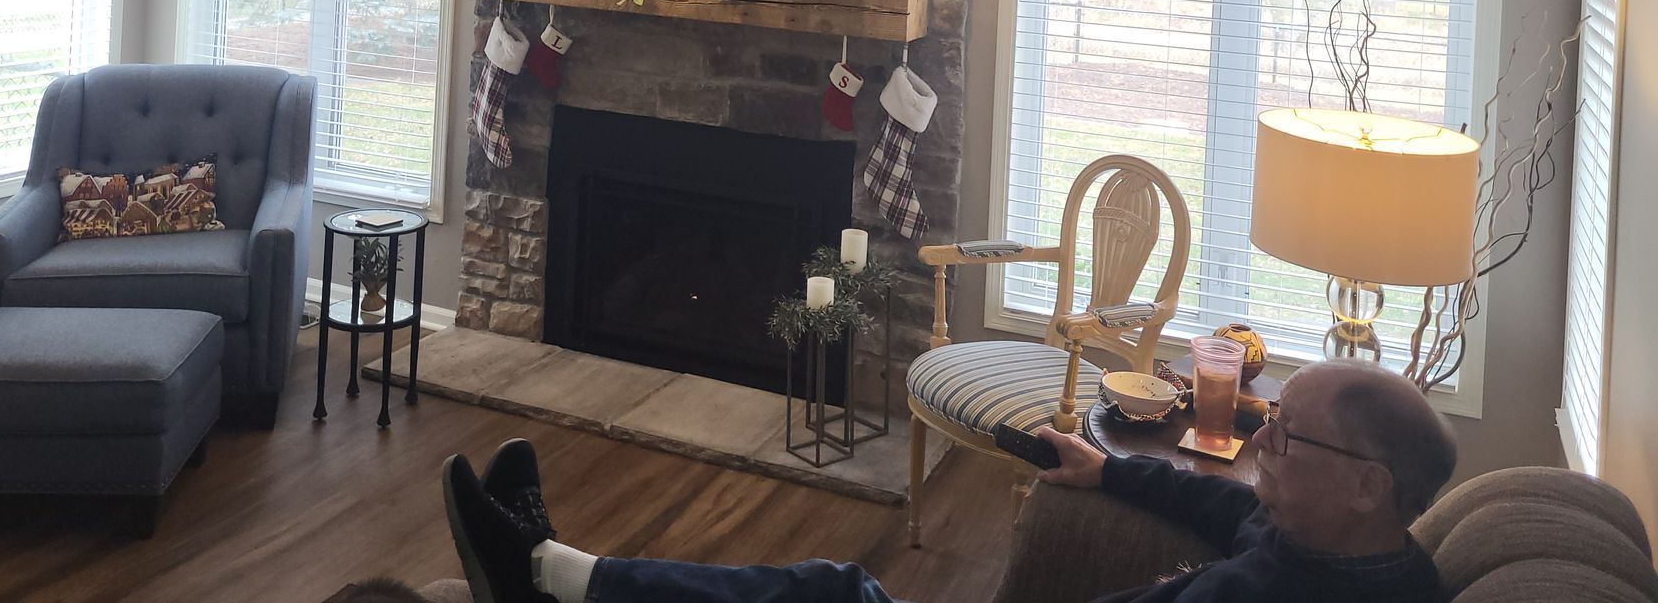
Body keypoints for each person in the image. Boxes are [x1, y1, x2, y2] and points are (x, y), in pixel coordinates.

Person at [440, 358, 1457, 603]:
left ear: (1367, 483)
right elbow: (1223, 503)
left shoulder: (1287, 593)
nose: (1261, 444)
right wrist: (1108, 471)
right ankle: (554, 567)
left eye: (1287, 437)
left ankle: (540, 569)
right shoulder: (1348, 546)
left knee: (831, 591)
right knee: (831, 589)